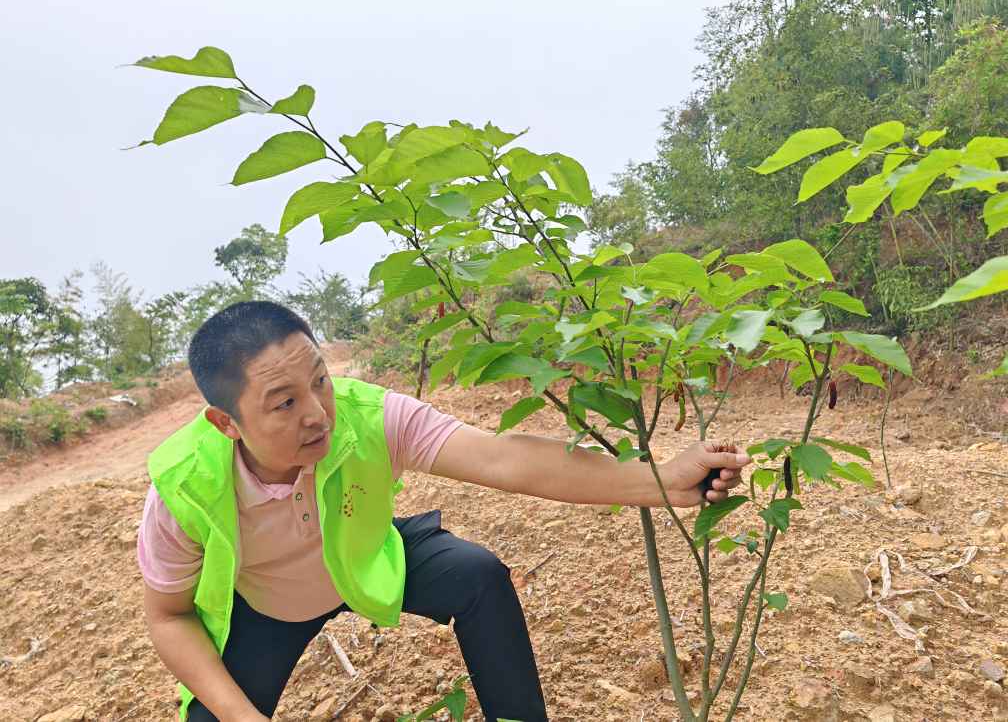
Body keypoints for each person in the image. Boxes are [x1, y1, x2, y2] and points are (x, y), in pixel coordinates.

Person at [137, 301, 749, 722]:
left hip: (367, 557)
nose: (317, 413)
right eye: (283, 402)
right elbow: (168, 617)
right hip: (265, 607)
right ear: (225, 423)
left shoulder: (370, 414)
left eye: (320, 381)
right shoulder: (184, 485)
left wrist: (665, 480)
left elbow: (505, 459)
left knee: (476, 575)